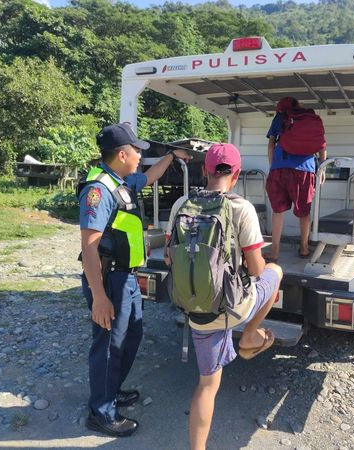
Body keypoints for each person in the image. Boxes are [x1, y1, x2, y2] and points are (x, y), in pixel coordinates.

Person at [164, 143, 283, 450]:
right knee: (275, 271)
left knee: (207, 385)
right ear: (237, 174)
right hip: (234, 306)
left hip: (197, 311)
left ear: (204, 171)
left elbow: (169, 258)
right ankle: (250, 336)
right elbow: (257, 269)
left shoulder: (180, 205)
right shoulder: (241, 208)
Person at [79, 123, 191, 437]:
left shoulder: (122, 181)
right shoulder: (98, 191)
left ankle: (110, 391)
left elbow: (150, 175)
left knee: (132, 336)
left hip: (126, 278)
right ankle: (100, 412)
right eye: (137, 150)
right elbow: (88, 248)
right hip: (108, 279)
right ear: (122, 154)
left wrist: (171, 156)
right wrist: (99, 297)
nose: (141, 155)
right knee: (110, 345)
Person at [264, 97, 326, 262]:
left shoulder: (280, 117)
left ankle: (275, 251)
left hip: (280, 167)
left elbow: (271, 144)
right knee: (304, 212)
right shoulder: (312, 119)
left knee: (278, 211)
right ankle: (304, 248)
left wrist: (273, 167)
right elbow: (322, 145)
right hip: (305, 169)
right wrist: (322, 167)